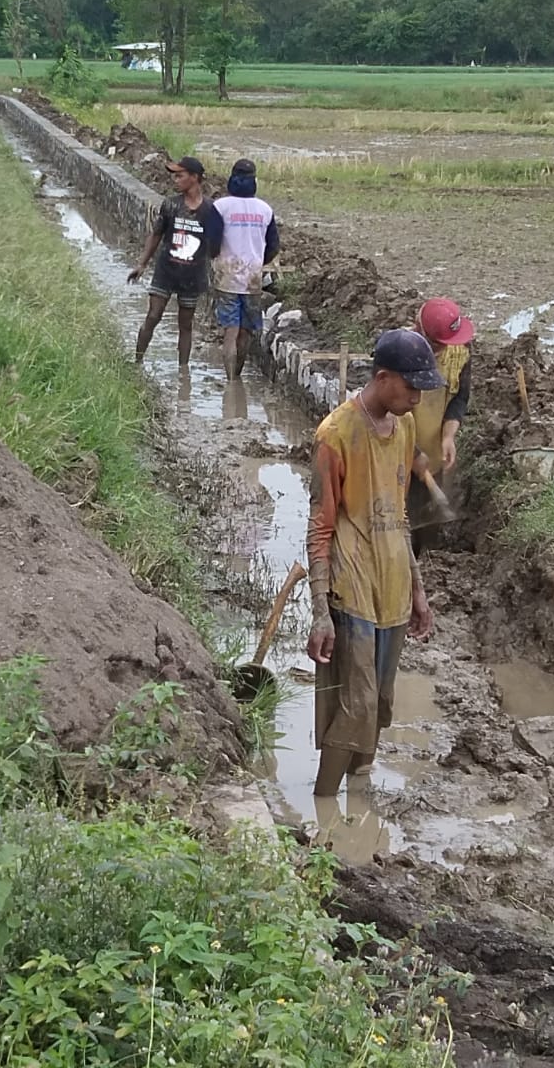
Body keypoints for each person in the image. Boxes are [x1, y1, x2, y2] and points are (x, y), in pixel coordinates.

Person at [306, 329, 443, 797]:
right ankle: (323, 805)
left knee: (381, 699)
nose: (417, 399)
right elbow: (320, 527)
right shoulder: (335, 436)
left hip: (394, 582)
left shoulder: (403, 429)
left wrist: (418, 590)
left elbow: (398, 512)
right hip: (353, 583)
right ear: (383, 378)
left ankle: (358, 796)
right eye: (411, 388)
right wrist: (320, 612)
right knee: (356, 701)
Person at [127, 156, 223, 370]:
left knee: (185, 325)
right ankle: (137, 362)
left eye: (180, 176)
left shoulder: (210, 210)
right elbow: (156, 235)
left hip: (192, 276)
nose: (175, 180)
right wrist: (141, 264)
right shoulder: (171, 205)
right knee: (153, 316)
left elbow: (217, 244)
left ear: (195, 177)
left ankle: (183, 371)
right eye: (174, 176)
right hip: (166, 270)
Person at [407, 297, 476, 538]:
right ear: (421, 334)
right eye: (439, 345)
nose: (446, 349)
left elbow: (459, 397)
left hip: (431, 456)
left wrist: (448, 436)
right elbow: (385, 413)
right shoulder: (400, 353)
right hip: (393, 456)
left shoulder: (461, 351)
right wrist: (412, 453)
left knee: (422, 527)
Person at [211, 158, 281, 380]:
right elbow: (273, 247)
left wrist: (216, 258)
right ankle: (237, 376)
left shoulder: (220, 207)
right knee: (246, 331)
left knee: (230, 332)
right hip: (253, 279)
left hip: (226, 277)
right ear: (254, 181)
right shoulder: (265, 210)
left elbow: (211, 243)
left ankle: (231, 381)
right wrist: (259, 262)